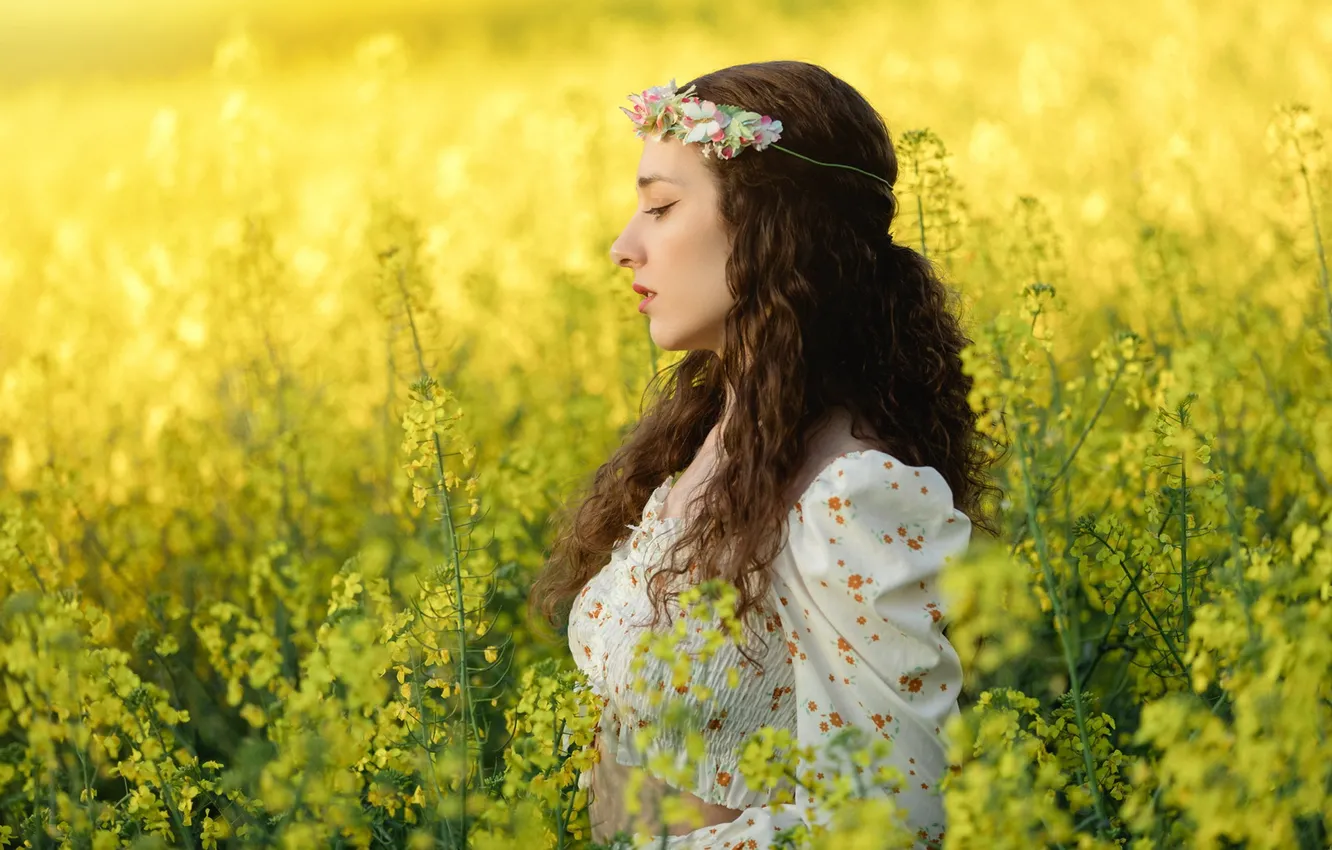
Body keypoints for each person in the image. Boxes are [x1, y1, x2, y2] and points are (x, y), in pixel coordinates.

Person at [527, 59, 998, 849]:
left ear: (773, 230)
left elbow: (890, 821)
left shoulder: (853, 495)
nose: (623, 246)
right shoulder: (708, 441)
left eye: (663, 208)